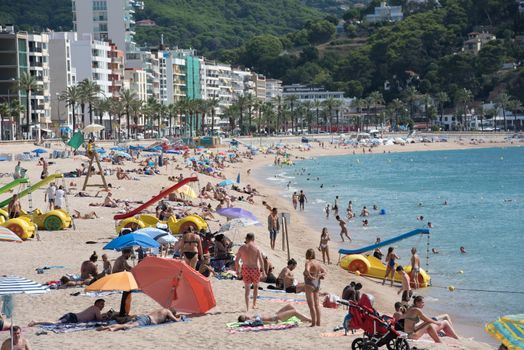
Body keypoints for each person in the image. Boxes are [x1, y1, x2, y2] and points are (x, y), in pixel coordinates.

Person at [235, 233, 265, 311]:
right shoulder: (257, 248)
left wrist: (237, 271)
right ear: (253, 239)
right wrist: (264, 271)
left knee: (247, 289)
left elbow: (236, 260)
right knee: (255, 287)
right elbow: (261, 261)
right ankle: (254, 304)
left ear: (246, 238)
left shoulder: (242, 247)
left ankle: (247, 307)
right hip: (254, 269)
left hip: (245, 269)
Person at [29, 299, 108, 326]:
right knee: (55, 323)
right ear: (96, 304)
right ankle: (36, 322)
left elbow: (97, 317)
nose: (103, 306)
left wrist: (103, 315)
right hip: (73, 318)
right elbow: (99, 319)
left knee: (55, 322)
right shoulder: (96, 309)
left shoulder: (93, 308)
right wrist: (107, 317)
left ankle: (38, 322)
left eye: (103, 304)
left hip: (71, 316)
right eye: (101, 304)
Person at [97, 307, 181, 331]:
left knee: (127, 324)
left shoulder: (161, 309)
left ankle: (108, 327)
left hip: (142, 317)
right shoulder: (168, 312)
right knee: (128, 326)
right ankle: (111, 328)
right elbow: (176, 320)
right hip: (147, 320)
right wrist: (179, 317)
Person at [304, 248, 326, 327]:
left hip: (309, 284)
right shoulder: (318, 263)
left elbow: (307, 270)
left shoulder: (308, 262)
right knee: (317, 305)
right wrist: (318, 275)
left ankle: (313, 323)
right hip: (317, 284)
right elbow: (324, 272)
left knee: (311, 304)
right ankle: (318, 323)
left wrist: (310, 276)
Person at [237, 304, 311, 324]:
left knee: (289, 306)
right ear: (245, 319)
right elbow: (263, 322)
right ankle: (309, 319)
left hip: (275, 314)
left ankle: (303, 318)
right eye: (245, 316)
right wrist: (273, 322)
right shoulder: (252, 320)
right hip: (276, 318)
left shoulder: (252, 317)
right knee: (294, 311)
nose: (246, 315)